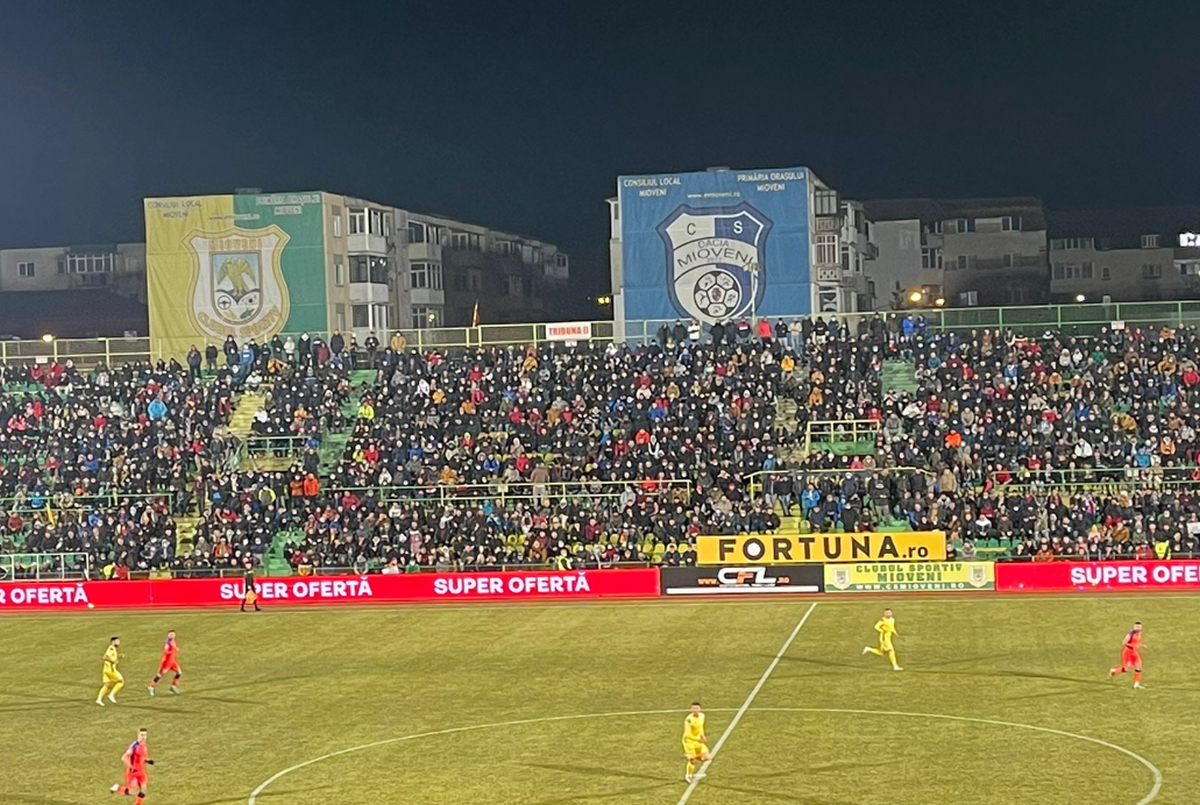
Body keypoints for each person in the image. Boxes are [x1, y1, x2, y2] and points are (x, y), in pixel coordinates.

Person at [110, 727, 153, 800]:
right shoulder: (134, 746)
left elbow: (140, 757)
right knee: (133, 792)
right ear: (138, 735)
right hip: (133, 773)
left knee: (143, 790)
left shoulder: (144, 745)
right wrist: (131, 767)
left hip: (141, 771)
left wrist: (147, 760)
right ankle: (118, 788)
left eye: (145, 735)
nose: (143, 737)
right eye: (141, 735)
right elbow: (124, 757)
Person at [682, 701, 711, 784]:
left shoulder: (702, 716)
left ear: (700, 709)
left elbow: (701, 727)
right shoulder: (689, 720)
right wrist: (698, 739)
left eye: (696, 708)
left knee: (707, 757)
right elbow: (687, 735)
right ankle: (688, 775)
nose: (695, 710)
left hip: (697, 740)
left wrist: (702, 735)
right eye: (693, 708)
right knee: (693, 761)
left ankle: (693, 757)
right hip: (689, 742)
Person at [1110, 621, 1144, 689]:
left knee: (1139, 666)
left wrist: (1140, 645)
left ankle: (1136, 684)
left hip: (1134, 652)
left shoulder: (1140, 633)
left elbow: (1136, 642)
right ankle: (1114, 671)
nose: (1138, 628)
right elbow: (1124, 642)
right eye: (1136, 627)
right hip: (1127, 652)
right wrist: (1133, 646)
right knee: (1127, 669)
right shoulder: (1130, 634)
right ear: (1134, 627)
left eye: (1139, 627)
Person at [148, 631, 181, 696]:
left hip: (172, 661)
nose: (172, 635)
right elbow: (166, 652)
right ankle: (151, 687)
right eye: (171, 634)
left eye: (173, 634)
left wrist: (175, 648)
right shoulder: (167, 643)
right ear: (168, 635)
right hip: (166, 662)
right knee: (160, 675)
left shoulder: (173, 641)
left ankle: (173, 686)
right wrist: (173, 650)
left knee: (179, 673)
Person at [97, 636, 125, 706]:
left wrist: (118, 657)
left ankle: (99, 699)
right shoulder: (111, 648)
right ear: (113, 641)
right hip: (110, 670)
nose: (119, 643)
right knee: (121, 681)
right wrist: (113, 661)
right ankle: (111, 695)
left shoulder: (113, 649)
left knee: (106, 685)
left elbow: (113, 659)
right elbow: (105, 657)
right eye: (117, 641)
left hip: (106, 669)